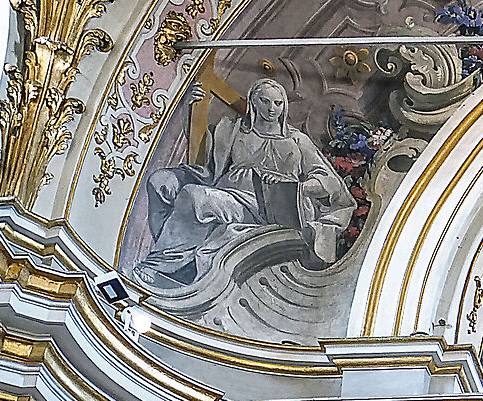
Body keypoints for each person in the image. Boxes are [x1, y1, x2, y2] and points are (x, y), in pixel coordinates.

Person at [138, 78, 356, 289]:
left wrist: (297, 186)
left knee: (196, 197)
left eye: (278, 103)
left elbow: (329, 182)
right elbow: (203, 154)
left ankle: (160, 265)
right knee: (165, 183)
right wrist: (190, 110)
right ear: (253, 102)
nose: (272, 108)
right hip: (233, 197)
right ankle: (173, 264)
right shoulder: (232, 131)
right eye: (265, 101)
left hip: (277, 206)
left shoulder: (296, 140)